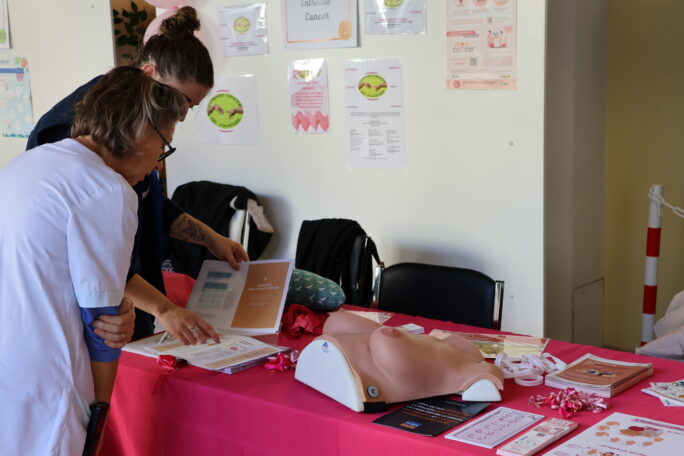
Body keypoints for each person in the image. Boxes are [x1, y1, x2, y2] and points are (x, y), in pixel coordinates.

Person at [26, 6, 249, 347]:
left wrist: (211, 239)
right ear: (149, 72)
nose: (181, 116)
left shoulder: (137, 135)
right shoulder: (76, 133)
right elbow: (89, 254)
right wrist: (162, 308)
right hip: (81, 310)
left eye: (190, 108)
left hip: (128, 293)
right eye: (181, 102)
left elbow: (152, 202)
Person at [0, 67, 186, 456]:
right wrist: (97, 421)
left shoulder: (26, 166)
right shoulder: (107, 191)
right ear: (140, 131)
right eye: (163, 146)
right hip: (47, 383)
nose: (157, 164)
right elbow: (103, 324)